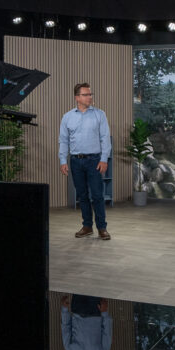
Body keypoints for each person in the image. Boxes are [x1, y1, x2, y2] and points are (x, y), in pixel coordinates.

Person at [59, 83, 112, 240]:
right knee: (82, 195)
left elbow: (105, 138)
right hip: (76, 161)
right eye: (86, 94)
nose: (90, 97)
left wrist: (104, 159)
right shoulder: (67, 117)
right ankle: (87, 226)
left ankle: (102, 228)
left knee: (97, 195)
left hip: (94, 160)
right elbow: (63, 141)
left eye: (90, 94)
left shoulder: (99, 114)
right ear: (77, 98)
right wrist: (63, 160)